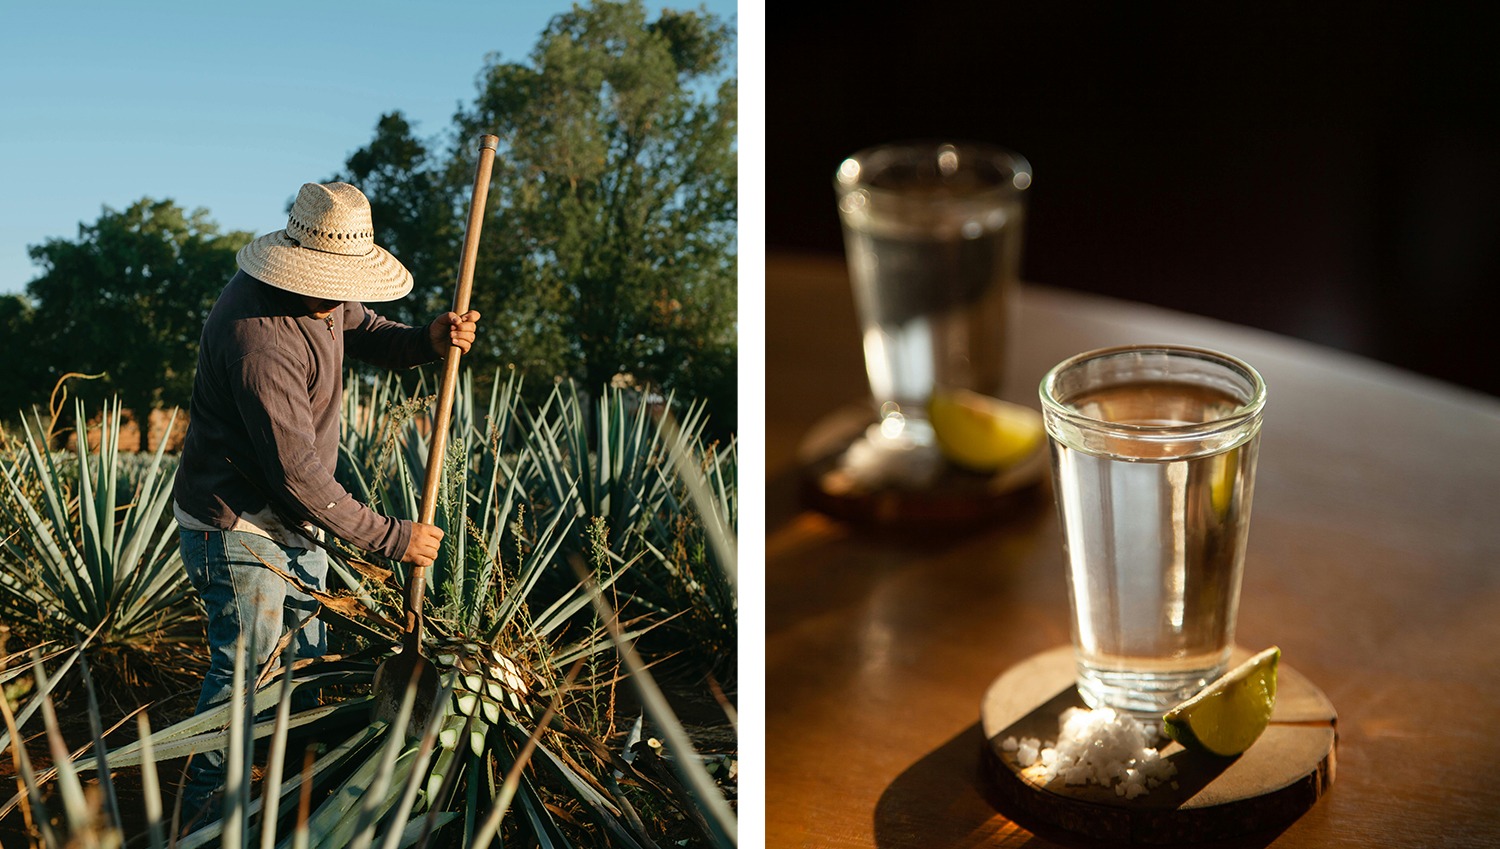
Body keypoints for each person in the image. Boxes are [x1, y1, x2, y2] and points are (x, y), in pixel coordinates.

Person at [170, 181, 479, 827]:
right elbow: (300, 475)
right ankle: (201, 820)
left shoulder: (326, 296)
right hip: (238, 525)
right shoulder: (259, 339)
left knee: (304, 664)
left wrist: (428, 336)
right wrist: (395, 538)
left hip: (292, 520)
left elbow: (368, 329)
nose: (344, 292)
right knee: (246, 676)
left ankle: (279, 803)